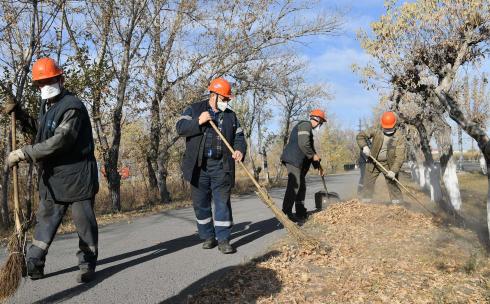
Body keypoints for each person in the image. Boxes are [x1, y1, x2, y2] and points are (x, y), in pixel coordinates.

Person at [6, 57, 99, 283]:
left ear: (60, 78)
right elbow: (43, 132)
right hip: (53, 178)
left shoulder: (72, 107)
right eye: (41, 82)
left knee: (84, 224)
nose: (45, 85)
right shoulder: (47, 106)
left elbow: (61, 140)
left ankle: (87, 264)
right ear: (36, 85)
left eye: (50, 80)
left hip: (77, 177)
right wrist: (20, 115)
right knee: (45, 222)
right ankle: (34, 263)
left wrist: (24, 153)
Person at [176, 77, 246, 254]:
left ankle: (223, 239)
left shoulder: (230, 116)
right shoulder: (194, 109)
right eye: (224, 98)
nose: (227, 101)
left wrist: (239, 150)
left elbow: (239, 138)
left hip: (221, 166)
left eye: (228, 99)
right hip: (198, 167)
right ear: (213, 95)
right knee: (201, 204)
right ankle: (208, 236)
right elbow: (180, 127)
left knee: (222, 203)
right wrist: (198, 121)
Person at [280, 109, 326, 222]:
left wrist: (318, 166)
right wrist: (313, 155)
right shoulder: (306, 125)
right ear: (318, 119)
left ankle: (300, 212)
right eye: (321, 122)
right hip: (293, 159)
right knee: (295, 184)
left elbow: (311, 148)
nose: (321, 125)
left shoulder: (308, 130)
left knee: (301, 186)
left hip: (297, 161)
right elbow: (304, 144)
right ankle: (286, 213)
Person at [357, 111, 406, 204]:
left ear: (395, 124)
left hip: (389, 164)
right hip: (373, 161)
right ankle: (366, 204)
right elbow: (360, 136)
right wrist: (365, 147)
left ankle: (398, 206)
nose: (387, 130)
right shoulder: (376, 129)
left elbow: (400, 157)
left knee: (393, 185)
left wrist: (394, 170)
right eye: (385, 128)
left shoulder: (399, 137)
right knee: (368, 184)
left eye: (389, 128)